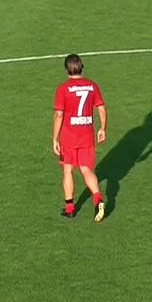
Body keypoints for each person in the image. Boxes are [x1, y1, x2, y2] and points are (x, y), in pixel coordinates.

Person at [52, 54, 107, 222]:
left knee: (68, 170)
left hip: (69, 137)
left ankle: (70, 208)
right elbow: (102, 109)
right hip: (86, 135)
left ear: (66, 69)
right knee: (86, 169)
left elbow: (59, 115)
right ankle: (97, 199)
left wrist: (55, 138)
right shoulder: (92, 86)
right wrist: (102, 128)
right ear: (81, 67)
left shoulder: (63, 89)